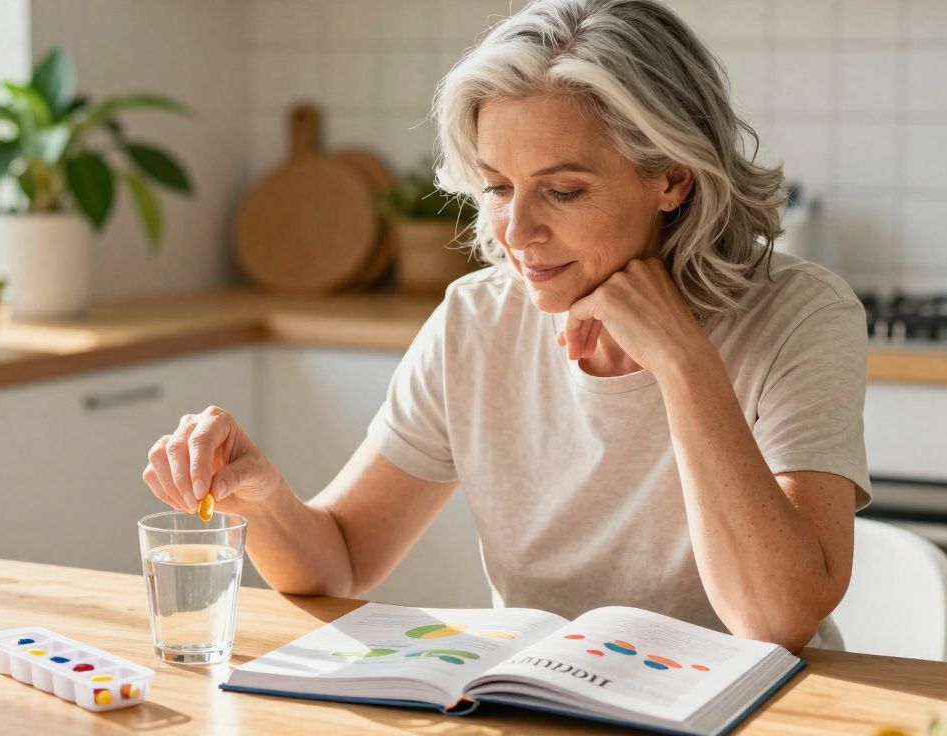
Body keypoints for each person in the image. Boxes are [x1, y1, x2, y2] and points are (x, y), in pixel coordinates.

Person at [143, 0, 870, 653]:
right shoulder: (476, 319)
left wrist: (684, 364)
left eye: (562, 190)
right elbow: (341, 561)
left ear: (672, 178)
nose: (517, 229)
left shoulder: (800, 316)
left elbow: (776, 621)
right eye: (497, 187)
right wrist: (264, 496)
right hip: (548, 706)